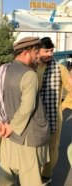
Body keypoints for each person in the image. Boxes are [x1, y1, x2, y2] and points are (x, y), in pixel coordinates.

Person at [0, 37, 50, 186]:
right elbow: (27, 107)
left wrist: (1, 123)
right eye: (36, 52)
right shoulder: (29, 74)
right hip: (27, 140)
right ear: (25, 52)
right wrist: (12, 127)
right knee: (31, 181)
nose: (38, 56)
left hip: (7, 137)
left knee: (6, 181)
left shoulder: (3, 70)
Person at [36, 37, 72, 183]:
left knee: (52, 147)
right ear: (38, 51)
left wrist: (64, 105)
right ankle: (34, 173)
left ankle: (46, 174)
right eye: (46, 51)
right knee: (36, 146)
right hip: (34, 117)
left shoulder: (60, 69)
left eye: (51, 51)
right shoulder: (32, 67)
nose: (50, 54)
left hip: (53, 116)